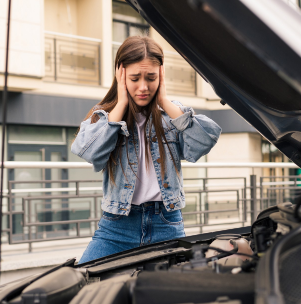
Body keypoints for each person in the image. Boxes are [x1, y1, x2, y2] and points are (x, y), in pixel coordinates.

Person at [72, 36, 221, 264]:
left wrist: (165, 100)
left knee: (174, 291)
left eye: (151, 78)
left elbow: (204, 141)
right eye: (134, 78)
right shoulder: (105, 115)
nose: (143, 87)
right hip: (117, 226)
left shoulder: (172, 114)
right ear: (120, 76)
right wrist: (120, 104)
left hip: (166, 223)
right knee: (84, 279)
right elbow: (88, 152)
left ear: (160, 76)